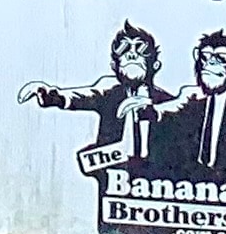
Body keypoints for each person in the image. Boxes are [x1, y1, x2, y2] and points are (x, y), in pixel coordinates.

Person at [22, 23, 170, 174]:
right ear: (114, 65)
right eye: (124, 50)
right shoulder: (109, 90)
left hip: (155, 184)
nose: (132, 54)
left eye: (140, 50)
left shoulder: (165, 102)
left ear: (156, 65)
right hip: (112, 177)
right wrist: (52, 97)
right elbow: (82, 96)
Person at [144, 31, 226, 185]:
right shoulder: (196, 100)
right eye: (206, 57)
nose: (211, 63)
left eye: (221, 58)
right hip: (196, 176)